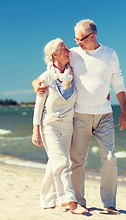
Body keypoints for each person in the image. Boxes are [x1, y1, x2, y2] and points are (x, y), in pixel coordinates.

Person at [33, 19, 126, 214]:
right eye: (74, 39)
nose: (77, 43)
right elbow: (48, 71)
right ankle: (77, 200)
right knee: (77, 161)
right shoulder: (73, 54)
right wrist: (35, 84)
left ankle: (109, 203)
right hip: (79, 115)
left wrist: (124, 111)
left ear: (91, 36)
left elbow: (118, 82)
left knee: (110, 159)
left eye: (79, 39)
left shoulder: (110, 54)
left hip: (104, 115)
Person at [31, 38, 87, 214]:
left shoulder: (72, 74)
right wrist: (36, 131)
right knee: (62, 162)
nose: (67, 51)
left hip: (68, 126)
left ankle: (47, 200)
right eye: (64, 49)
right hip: (50, 126)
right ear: (54, 55)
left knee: (54, 163)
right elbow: (38, 106)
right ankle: (69, 201)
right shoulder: (47, 77)